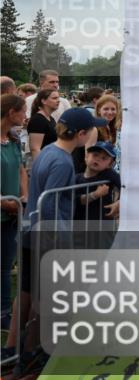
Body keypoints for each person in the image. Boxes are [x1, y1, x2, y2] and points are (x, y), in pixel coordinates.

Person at [9, 107, 106, 364]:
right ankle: (31, 350)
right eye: (91, 131)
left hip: (33, 230)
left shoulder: (49, 151)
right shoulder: (62, 160)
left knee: (28, 289)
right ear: (82, 134)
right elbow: (49, 203)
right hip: (48, 235)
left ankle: (13, 347)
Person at [1, 94, 28, 332]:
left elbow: (21, 170)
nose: (25, 116)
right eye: (22, 111)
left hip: (11, 214)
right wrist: (4, 203)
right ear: (11, 113)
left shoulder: (13, 139)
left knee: (5, 265)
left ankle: (3, 313)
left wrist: (24, 196)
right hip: (4, 209)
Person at [74, 142, 121, 222]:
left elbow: (125, 187)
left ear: (110, 164)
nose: (98, 159)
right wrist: (96, 194)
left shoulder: (108, 174)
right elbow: (76, 200)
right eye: (95, 155)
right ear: (86, 156)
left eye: (104, 158)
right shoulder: (76, 178)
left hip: (103, 225)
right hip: (80, 225)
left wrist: (119, 202)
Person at [27, 88, 60, 160]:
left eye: (58, 98)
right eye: (54, 98)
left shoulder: (50, 118)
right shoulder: (38, 120)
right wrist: (41, 168)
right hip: (44, 163)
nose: (58, 100)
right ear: (43, 101)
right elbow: (35, 149)